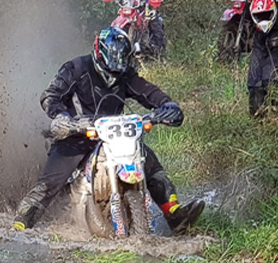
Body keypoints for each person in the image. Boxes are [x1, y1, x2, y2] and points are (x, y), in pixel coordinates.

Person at [12, 26, 204, 233]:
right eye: (111, 65)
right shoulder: (76, 68)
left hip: (115, 136)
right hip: (76, 135)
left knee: (149, 161)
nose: (114, 72)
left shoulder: (124, 74)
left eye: (120, 65)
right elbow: (50, 95)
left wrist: (168, 107)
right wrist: (62, 118)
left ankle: (175, 215)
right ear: (99, 52)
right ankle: (22, 221)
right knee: (52, 180)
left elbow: (149, 93)